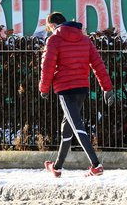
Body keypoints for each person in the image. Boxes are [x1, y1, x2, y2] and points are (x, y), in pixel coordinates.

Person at [39, 12, 115, 178]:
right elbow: (98, 64)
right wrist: (107, 88)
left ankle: (96, 165)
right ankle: (57, 167)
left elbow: (48, 67)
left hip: (65, 89)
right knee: (67, 127)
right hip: (82, 88)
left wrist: (44, 88)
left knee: (76, 125)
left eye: (49, 28)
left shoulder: (54, 40)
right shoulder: (84, 39)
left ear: (52, 25)